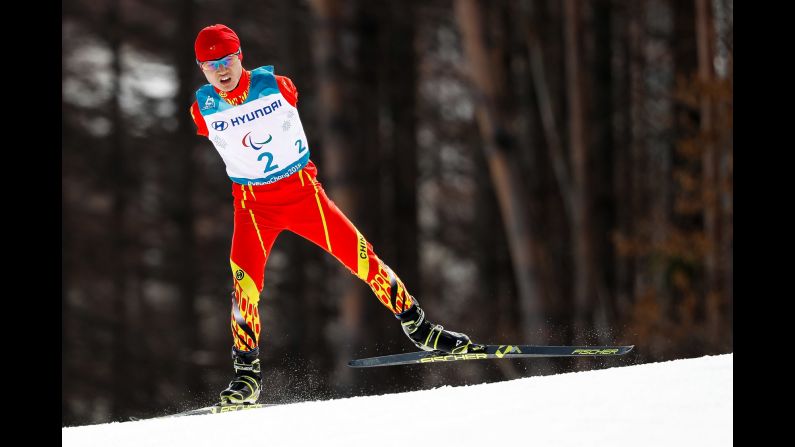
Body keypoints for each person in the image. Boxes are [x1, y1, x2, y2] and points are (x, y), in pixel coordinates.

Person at [190, 24, 472, 405]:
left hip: (304, 197)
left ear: (240, 57)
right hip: (254, 208)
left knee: (363, 258)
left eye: (226, 61)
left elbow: (278, 95)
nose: (221, 71)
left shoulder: (276, 86)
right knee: (245, 289)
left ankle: (421, 329)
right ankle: (247, 376)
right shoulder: (201, 108)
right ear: (201, 68)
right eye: (210, 66)